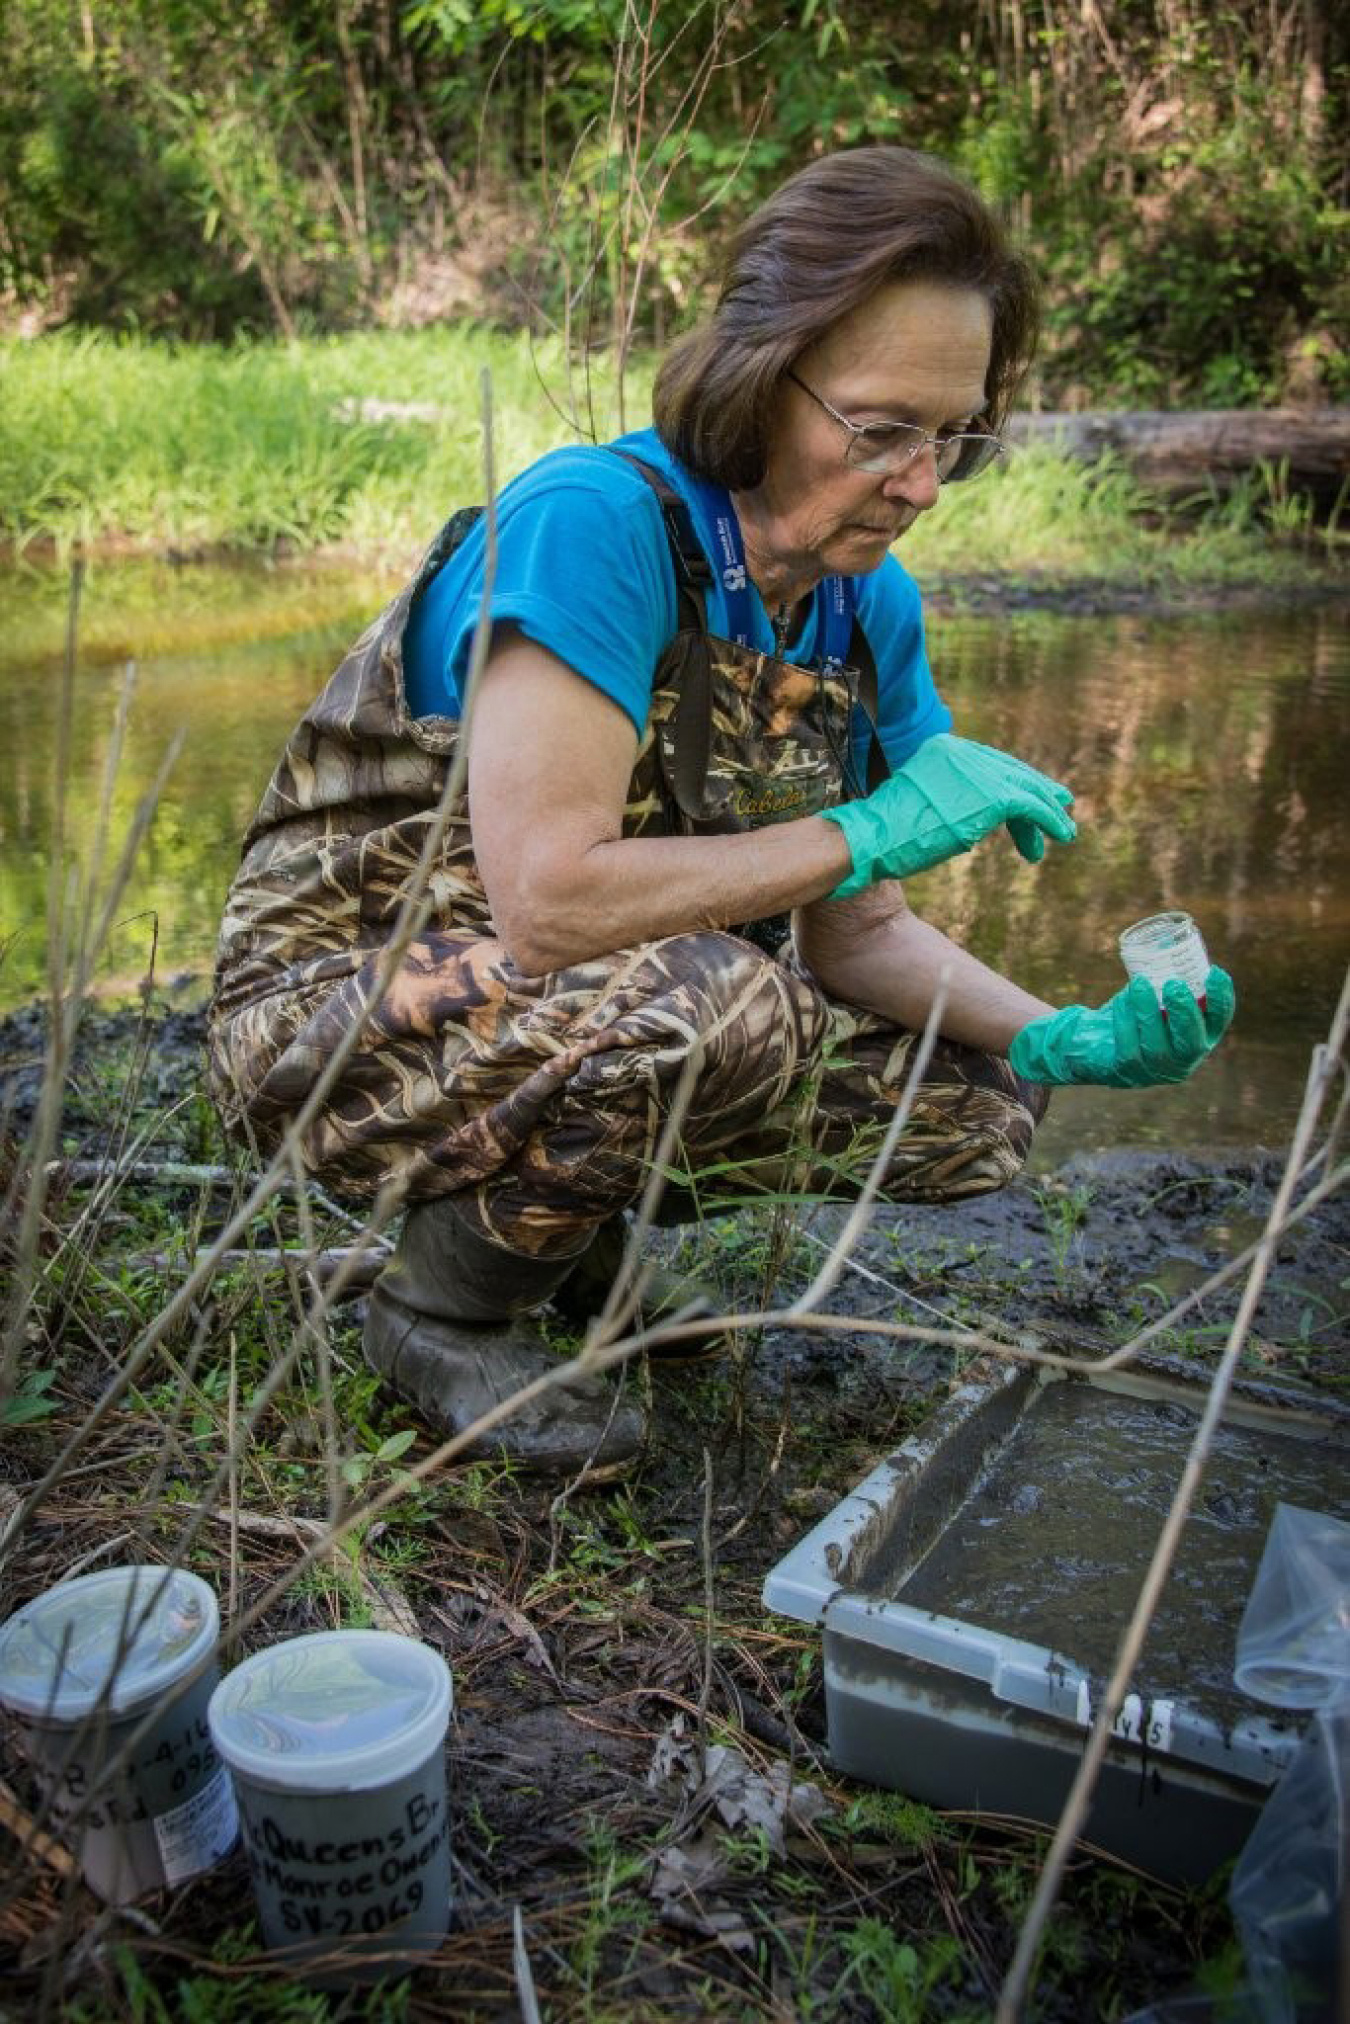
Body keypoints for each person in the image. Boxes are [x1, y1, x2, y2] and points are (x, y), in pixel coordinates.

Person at [207, 146, 1234, 1481]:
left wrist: (1062, 1039)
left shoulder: (867, 609)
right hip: (323, 1024)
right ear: (760, 375)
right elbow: (551, 897)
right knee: (717, 1001)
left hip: (549, 1014)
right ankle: (437, 1312)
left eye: (955, 435)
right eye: (879, 431)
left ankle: (568, 1242)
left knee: (966, 1101)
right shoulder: (597, 521)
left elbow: (857, 940)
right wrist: (863, 829)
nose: (922, 483)